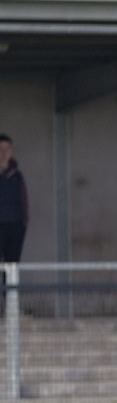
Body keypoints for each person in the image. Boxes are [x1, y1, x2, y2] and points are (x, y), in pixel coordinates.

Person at [0, 134, 29, 316]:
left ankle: (10, 309)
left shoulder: (17, 176)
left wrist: (23, 224)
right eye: (0, 149)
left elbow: (24, 202)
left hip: (15, 227)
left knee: (11, 269)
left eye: (7, 149)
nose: (3, 153)